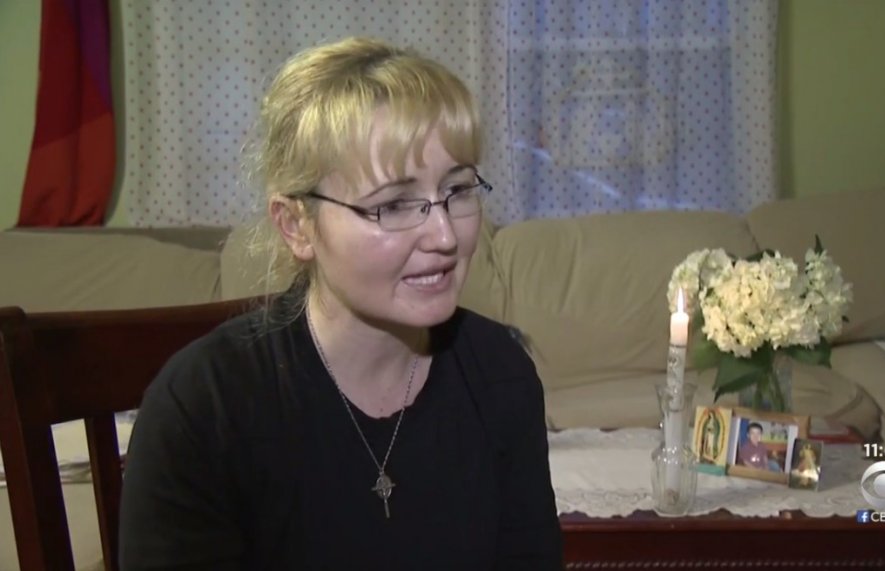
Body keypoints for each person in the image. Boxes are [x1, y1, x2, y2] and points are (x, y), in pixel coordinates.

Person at [119, 37, 564, 570]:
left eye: (459, 190)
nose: (446, 235)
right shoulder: (202, 408)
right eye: (394, 204)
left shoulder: (501, 375)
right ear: (297, 225)